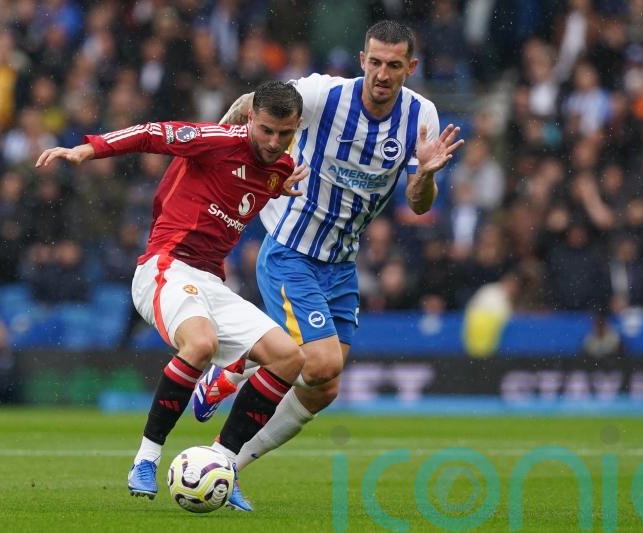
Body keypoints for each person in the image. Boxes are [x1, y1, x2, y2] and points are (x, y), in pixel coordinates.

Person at [193, 20, 464, 470]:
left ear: (410, 67)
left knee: (325, 386)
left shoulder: (422, 117)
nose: (382, 74)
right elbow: (261, 102)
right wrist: (233, 118)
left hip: (341, 264)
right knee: (318, 363)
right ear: (362, 60)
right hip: (291, 250)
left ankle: (232, 463)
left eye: (393, 65)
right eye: (374, 62)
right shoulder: (325, 94)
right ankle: (223, 436)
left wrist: (428, 174)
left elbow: (418, 205)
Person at [35, 81, 309, 512]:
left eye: (285, 133)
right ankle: (145, 459)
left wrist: (278, 187)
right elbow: (150, 132)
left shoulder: (281, 167)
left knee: (290, 358)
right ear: (252, 119)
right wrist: (89, 149)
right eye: (267, 130)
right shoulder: (216, 141)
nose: (274, 143)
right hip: (165, 266)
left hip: (212, 283)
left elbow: (249, 185)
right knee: (201, 344)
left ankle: (223, 463)